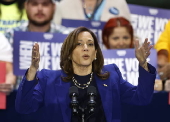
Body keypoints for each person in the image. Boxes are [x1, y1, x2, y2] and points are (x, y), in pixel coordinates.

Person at [15, 26, 156, 122]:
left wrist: (143, 65)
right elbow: (24, 107)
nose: (85, 48)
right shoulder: (49, 79)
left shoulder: (111, 75)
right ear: (69, 53)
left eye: (90, 44)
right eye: (78, 44)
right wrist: (33, 70)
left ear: (95, 53)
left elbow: (141, 98)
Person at [53, 0, 131, 24]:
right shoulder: (64, 5)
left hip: (109, 58)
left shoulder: (118, 2)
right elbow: (55, 35)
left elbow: (131, 36)